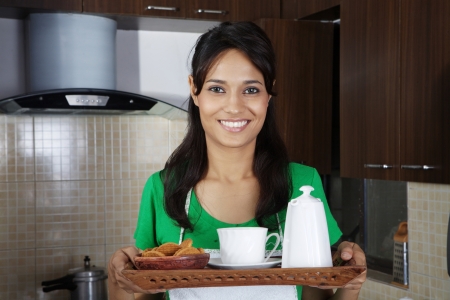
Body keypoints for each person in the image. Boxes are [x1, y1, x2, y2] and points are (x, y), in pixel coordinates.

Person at [108, 21, 367, 300]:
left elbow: (319, 294)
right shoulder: (163, 188)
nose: (234, 106)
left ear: (269, 94)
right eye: (217, 89)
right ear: (194, 90)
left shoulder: (302, 183)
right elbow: (142, 293)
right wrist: (118, 277)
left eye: (251, 90)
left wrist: (350, 285)